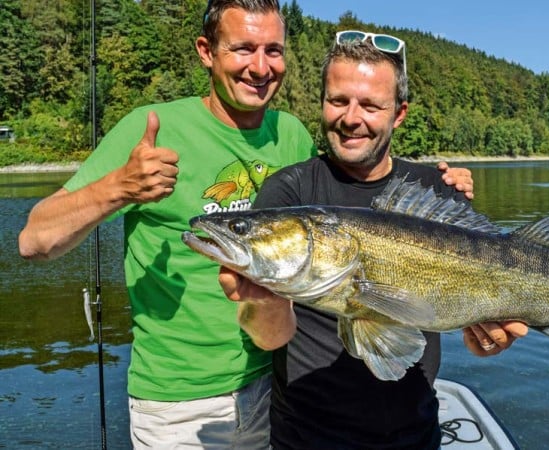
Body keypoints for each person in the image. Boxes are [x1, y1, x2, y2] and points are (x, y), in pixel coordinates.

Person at [18, 1, 473, 448]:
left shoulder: (290, 134)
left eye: (272, 50)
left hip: (276, 389)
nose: (259, 67)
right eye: (242, 49)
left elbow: (349, 199)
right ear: (206, 51)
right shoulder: (151, 127)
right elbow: (34, 240)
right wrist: (117, 187)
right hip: (183, 399)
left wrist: (442, 192)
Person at [219, 32, 528, 449]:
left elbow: (474, 313)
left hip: (415, 434)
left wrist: (487, 340)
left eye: (370, 105)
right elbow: (269, 338)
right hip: (306, 437)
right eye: (338, 100)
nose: (351, 117)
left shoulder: (437, 189)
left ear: (398, 113)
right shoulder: (288, 192)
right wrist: (262, 299)